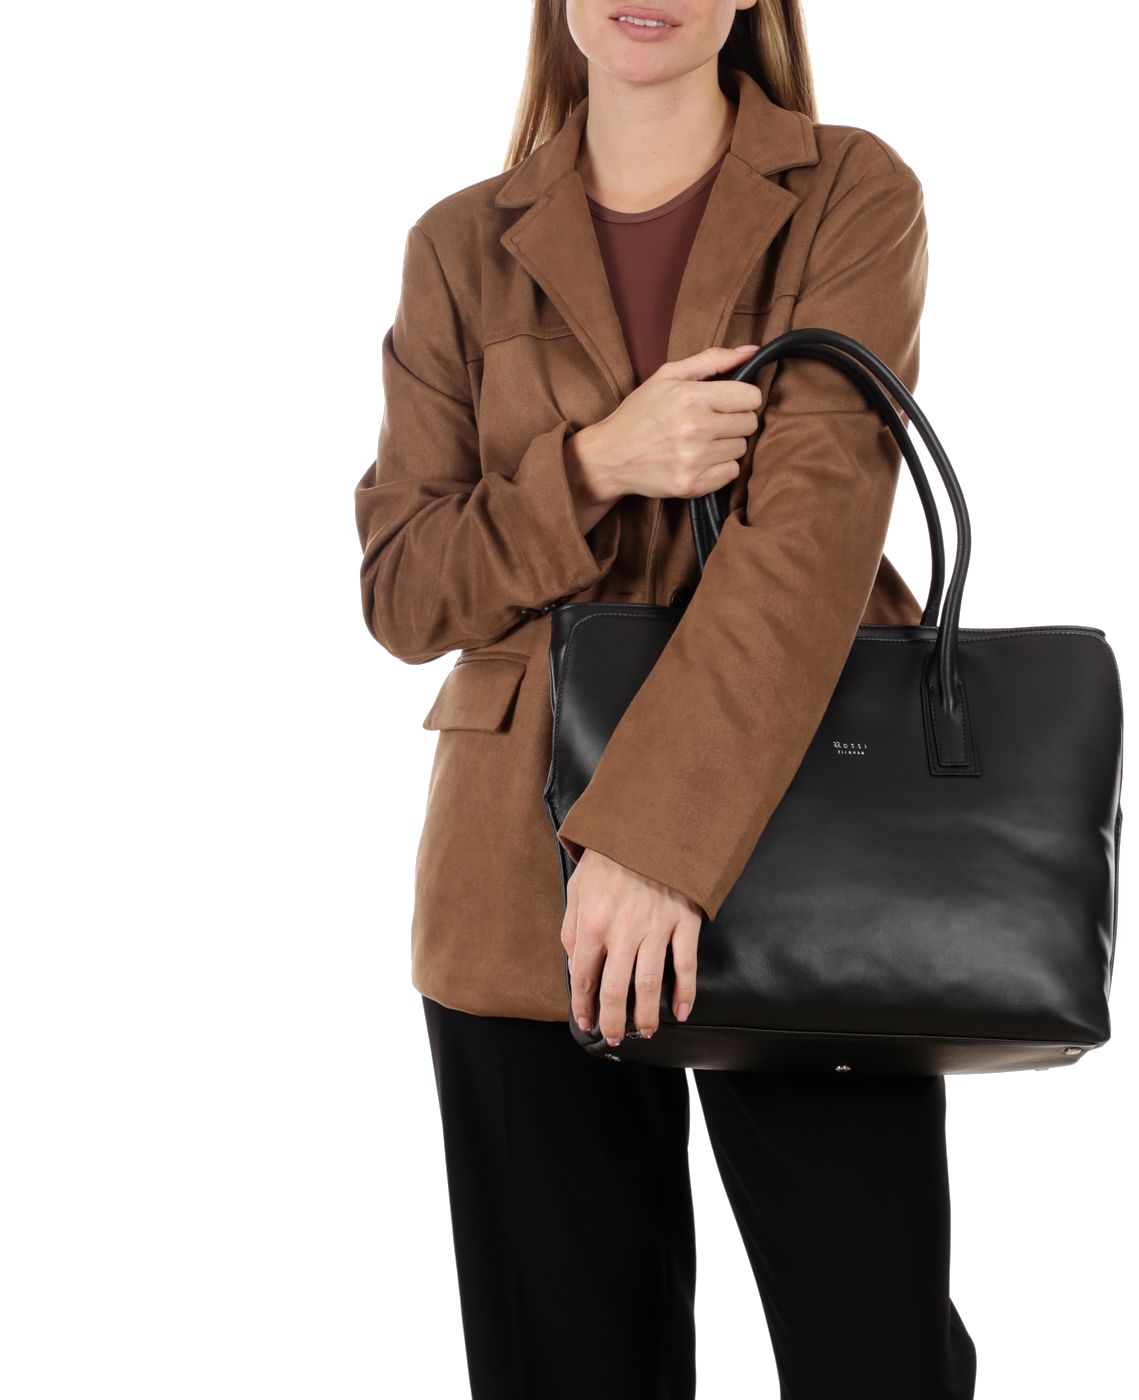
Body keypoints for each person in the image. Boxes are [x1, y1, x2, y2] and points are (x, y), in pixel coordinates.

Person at [355, 2, 975, 1395]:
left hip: (801, 848)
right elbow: (403, 586)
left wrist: (652, 845)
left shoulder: (850, 190)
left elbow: (814, 538)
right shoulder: (457, 245)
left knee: (876, 1358)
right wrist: (593, 464)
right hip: (516, 889)